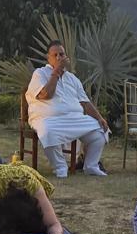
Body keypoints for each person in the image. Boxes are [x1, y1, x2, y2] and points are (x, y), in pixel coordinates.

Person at [25, 40, 111, 179]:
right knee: (46, 131)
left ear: (66, 57)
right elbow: (46, 95)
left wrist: (100, 118)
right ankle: (60, 167)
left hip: (74, 119)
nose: (59, 57)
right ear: (48, 58)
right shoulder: (40, 73)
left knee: (100, 130)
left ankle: (91, 166)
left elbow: (85, 103)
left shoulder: (73, 79)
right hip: (48, 119)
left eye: (61, 54)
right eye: (55, 55)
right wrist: (56, 72)